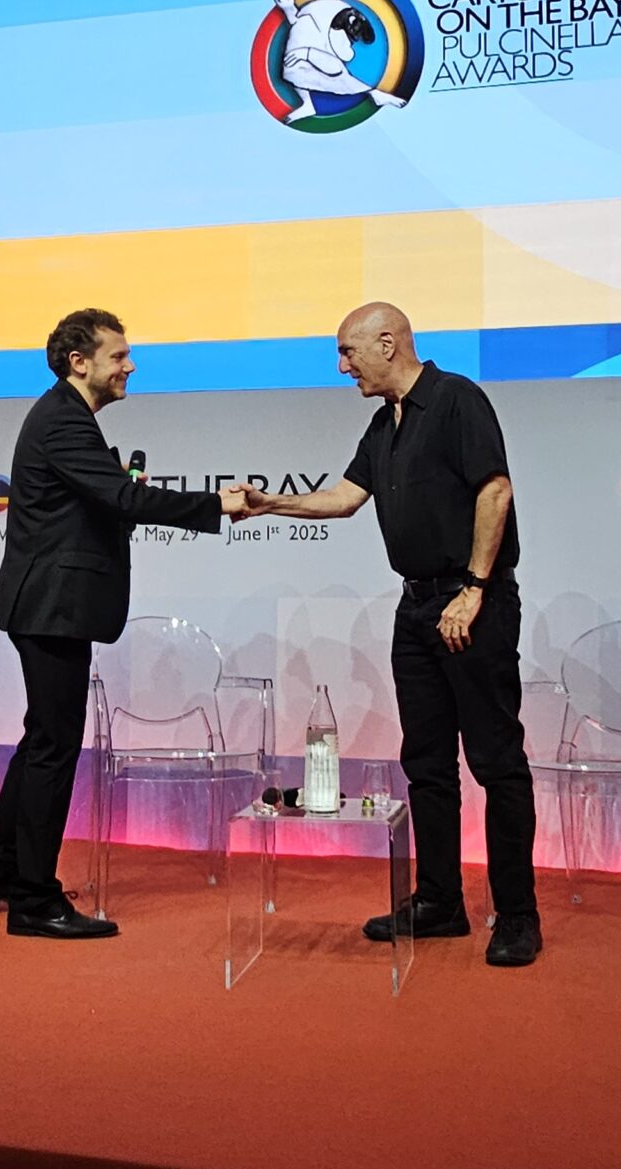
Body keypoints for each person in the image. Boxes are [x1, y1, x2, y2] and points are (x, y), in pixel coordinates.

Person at [240, 302, 540, 967]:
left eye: (348, 352)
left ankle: (518, 914)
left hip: (473, 603)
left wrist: (473, 588)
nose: (342, 367)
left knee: (495, 761)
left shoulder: (457, 399)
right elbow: (346, 498)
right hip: (416, 609)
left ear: (386, 342)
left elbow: (495, 490)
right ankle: (440, 902)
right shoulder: (384, 424)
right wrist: (270, 503)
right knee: (426, 763)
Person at [0, 308, 248, 939]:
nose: (131, 366)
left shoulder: (67, 418)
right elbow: (124, 499)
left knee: (42, 739)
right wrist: (216, 504)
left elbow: (104, 503)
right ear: (80, 362)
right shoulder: (63, 421)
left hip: (51, 607)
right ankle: (33, 901)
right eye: (118, 356)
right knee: (53, 747)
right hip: (51, 608)